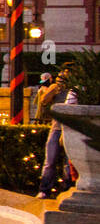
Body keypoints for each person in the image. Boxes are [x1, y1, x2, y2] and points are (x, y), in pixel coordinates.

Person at [37, 68, 77, 198]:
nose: (63, 77)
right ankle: (44, 189)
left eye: (66, 75)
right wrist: (53, 89)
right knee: (50, 160)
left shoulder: (75, 90)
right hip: (56, 128)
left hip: (71, 128)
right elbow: (43, 101)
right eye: (61, 75)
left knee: (68, 161)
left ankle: (66, 188)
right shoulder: (55, 87)